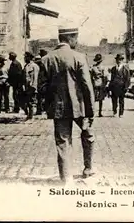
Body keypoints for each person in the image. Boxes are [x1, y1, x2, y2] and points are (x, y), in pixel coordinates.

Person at [40, 26, 95, 183]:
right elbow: (87, 86)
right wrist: (91, 111)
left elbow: (42, 88)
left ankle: (66, 180)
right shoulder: (79, 57)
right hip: (79, 107)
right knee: (89, 134)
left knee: (63, 141)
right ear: (70, 38)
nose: (76, 41)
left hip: (58, 108)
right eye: (76, 38)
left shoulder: (46, 59)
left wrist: (53, 101)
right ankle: (88, 169)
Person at [108, 54, 130, 118]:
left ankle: (121, 113)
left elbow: (127, 79)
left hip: (122, 87)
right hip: (114, 87)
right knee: (114, 100)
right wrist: (110, 87)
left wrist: (126, 87)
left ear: (122, 60)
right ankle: (114, 111)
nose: (119, 61)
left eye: (120, 60)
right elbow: (111, 79)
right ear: (116, 60)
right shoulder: (113, 68)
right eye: (118, 60)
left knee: (121, 100)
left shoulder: (125, 69)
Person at [22, 52, 39, 120]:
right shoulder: (26, 65)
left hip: (31, 86)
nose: (25, 58)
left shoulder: (34, 66)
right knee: (27, 100)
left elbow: (35, 77)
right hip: (26, 86)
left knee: (31, 101)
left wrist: (34, 86)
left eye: (26, 57)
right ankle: (29, 115)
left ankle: (31, 116)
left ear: (29, 57)